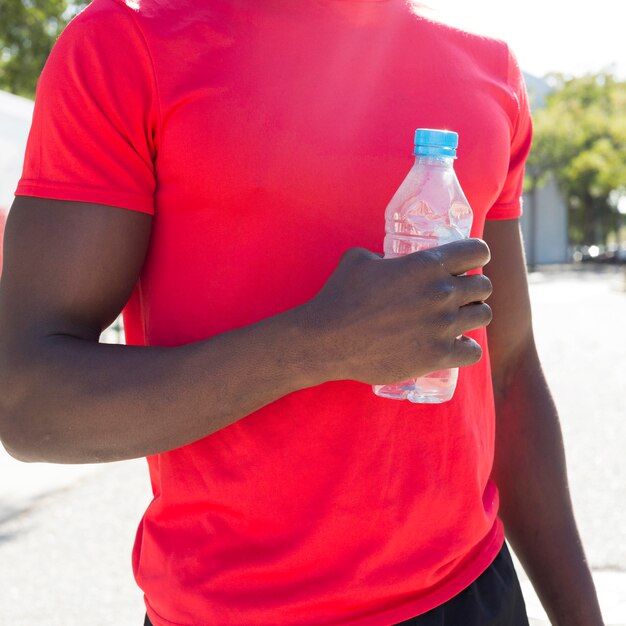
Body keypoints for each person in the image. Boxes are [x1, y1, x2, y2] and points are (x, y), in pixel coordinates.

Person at [0, 0, 604, 624]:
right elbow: (29, 403)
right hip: (233, 612)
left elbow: (507, 374)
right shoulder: (128, 43)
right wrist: (314, 347)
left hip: (472, 592)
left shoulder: (489, 70)